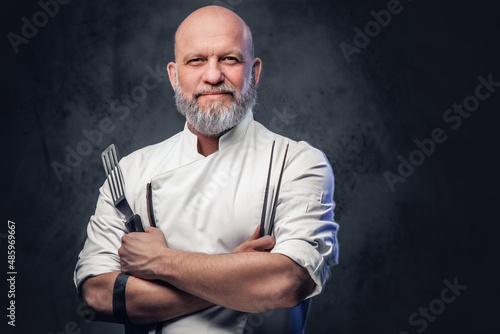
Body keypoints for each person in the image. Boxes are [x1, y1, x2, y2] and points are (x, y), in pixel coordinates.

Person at [73, 5, 339, 334]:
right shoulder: (131, 172)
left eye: (229, 59)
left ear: (254, 72)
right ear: (174, 75)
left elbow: (287, 282)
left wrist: (160, 261)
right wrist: (239, 272)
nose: (213, 76)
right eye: (196, 60)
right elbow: (97, 296)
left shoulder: (295, 162)